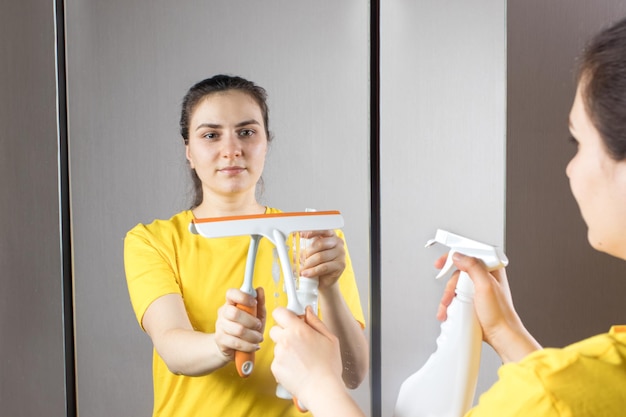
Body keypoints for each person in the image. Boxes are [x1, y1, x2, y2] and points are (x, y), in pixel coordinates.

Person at [269, 16, 626, 417]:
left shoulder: (551, 392)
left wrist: (318, 385)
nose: (569, 169)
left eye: (577, 141)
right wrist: (505, 333)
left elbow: (556, 401)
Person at [123, 74, 368, 417]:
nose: (231, 150)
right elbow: (172, 347)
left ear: (266, 142)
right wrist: (220, 343)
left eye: (247, 132)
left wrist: (329, 289)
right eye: (211, 135)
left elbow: (352, 374)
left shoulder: (314, 238)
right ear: (189, 152)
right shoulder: (153, 241)